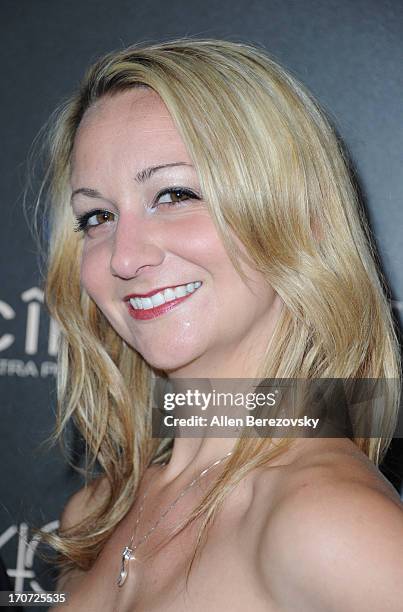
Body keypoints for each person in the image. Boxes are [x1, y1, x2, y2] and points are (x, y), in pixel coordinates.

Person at [32, 38, 403, 610]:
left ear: (301, 218)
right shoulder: (95, 513)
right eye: (98, 216)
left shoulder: (328, 524)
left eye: (175, 194)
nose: (124, 257)